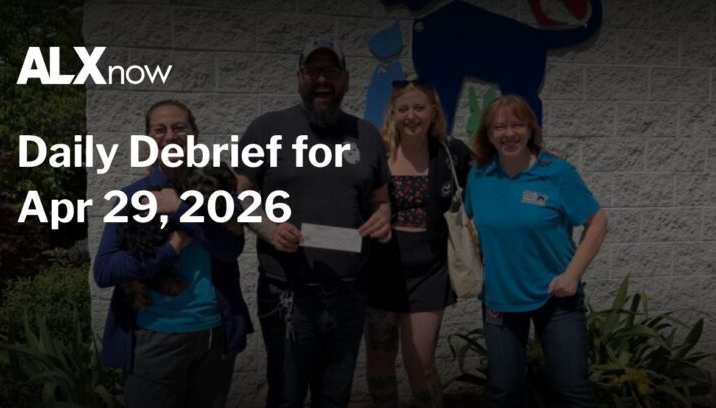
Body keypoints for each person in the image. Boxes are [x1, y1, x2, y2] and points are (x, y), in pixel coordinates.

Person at [234, 39, 392, 408]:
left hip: (350, 292)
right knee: (286, 395)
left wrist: (383, 218)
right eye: (313, 71)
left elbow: (382, 201)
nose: (322, 80)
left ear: (345, 79)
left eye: (331, 71)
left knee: (335, 396)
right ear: (299, 78)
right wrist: (269, 228)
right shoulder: (266, 128)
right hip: (287, 292)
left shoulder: (367, 134)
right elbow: (241, 194)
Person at [93, 100, 252, 408]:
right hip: (154, 336)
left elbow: (231, 249)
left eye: (180, 128)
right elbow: (105, 271)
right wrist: (170, 248)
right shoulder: (131, 197)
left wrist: (179, 210)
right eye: (160, 129)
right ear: (148, 139)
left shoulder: (218, 187)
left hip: (213, 334)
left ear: (195, 134)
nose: (170, 136)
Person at [463, 94, 607, 407]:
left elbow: (597, 222)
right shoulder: (479, 176)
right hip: (500, 297)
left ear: (530, 129)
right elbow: (462, 226)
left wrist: (572, 275)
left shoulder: (557, 172)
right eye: (499, 127)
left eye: (517, 125)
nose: (509, 133)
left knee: (572, 392)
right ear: (488, 134)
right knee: (505, 392)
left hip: (557, 297)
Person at [364, 79, 471, 407]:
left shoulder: (452, 153)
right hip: (380, 271)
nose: (411, 115)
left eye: (420, 108)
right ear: (393, 113)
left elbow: (487, 184)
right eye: (404, 109)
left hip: (430, 272)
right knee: (380, 364)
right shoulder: (377, 152)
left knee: (421, 364)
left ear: (433, 112)